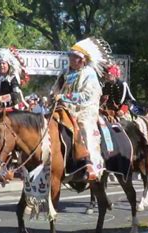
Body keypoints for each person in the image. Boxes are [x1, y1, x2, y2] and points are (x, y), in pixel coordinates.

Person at [51, 37, 112, 181]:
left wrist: (64, 97)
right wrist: (52, 96)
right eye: (71, 56)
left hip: (85, 110)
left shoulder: (89, 73)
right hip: (63, 108)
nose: (72, 59)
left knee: (85, 129)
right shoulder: (65, 73)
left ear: (83, 60)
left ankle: (90, 164)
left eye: (75, 57)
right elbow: (55, 88)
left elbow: (87, 95)